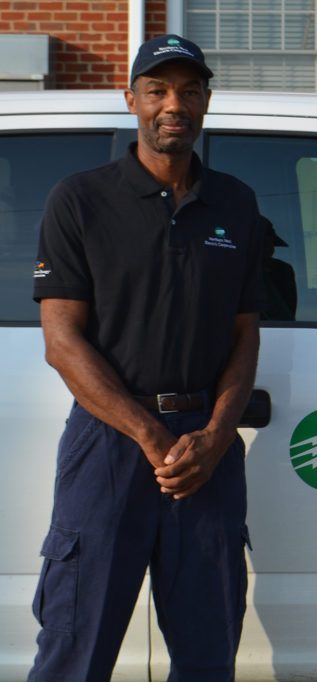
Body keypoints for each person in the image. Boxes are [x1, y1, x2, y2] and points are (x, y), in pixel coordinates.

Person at [29, 35, 263, 681]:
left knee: (208, 652)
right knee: (76, 650)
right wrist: (151, 436)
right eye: (158, 90)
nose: (173, 105)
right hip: (109, 444)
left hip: (206, 454)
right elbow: (62, 342)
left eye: (189, 91)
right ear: (130, 98)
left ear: (207, 102)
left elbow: (246, 335)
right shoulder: (79, 200)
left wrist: (215, 439)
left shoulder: (235, 205)